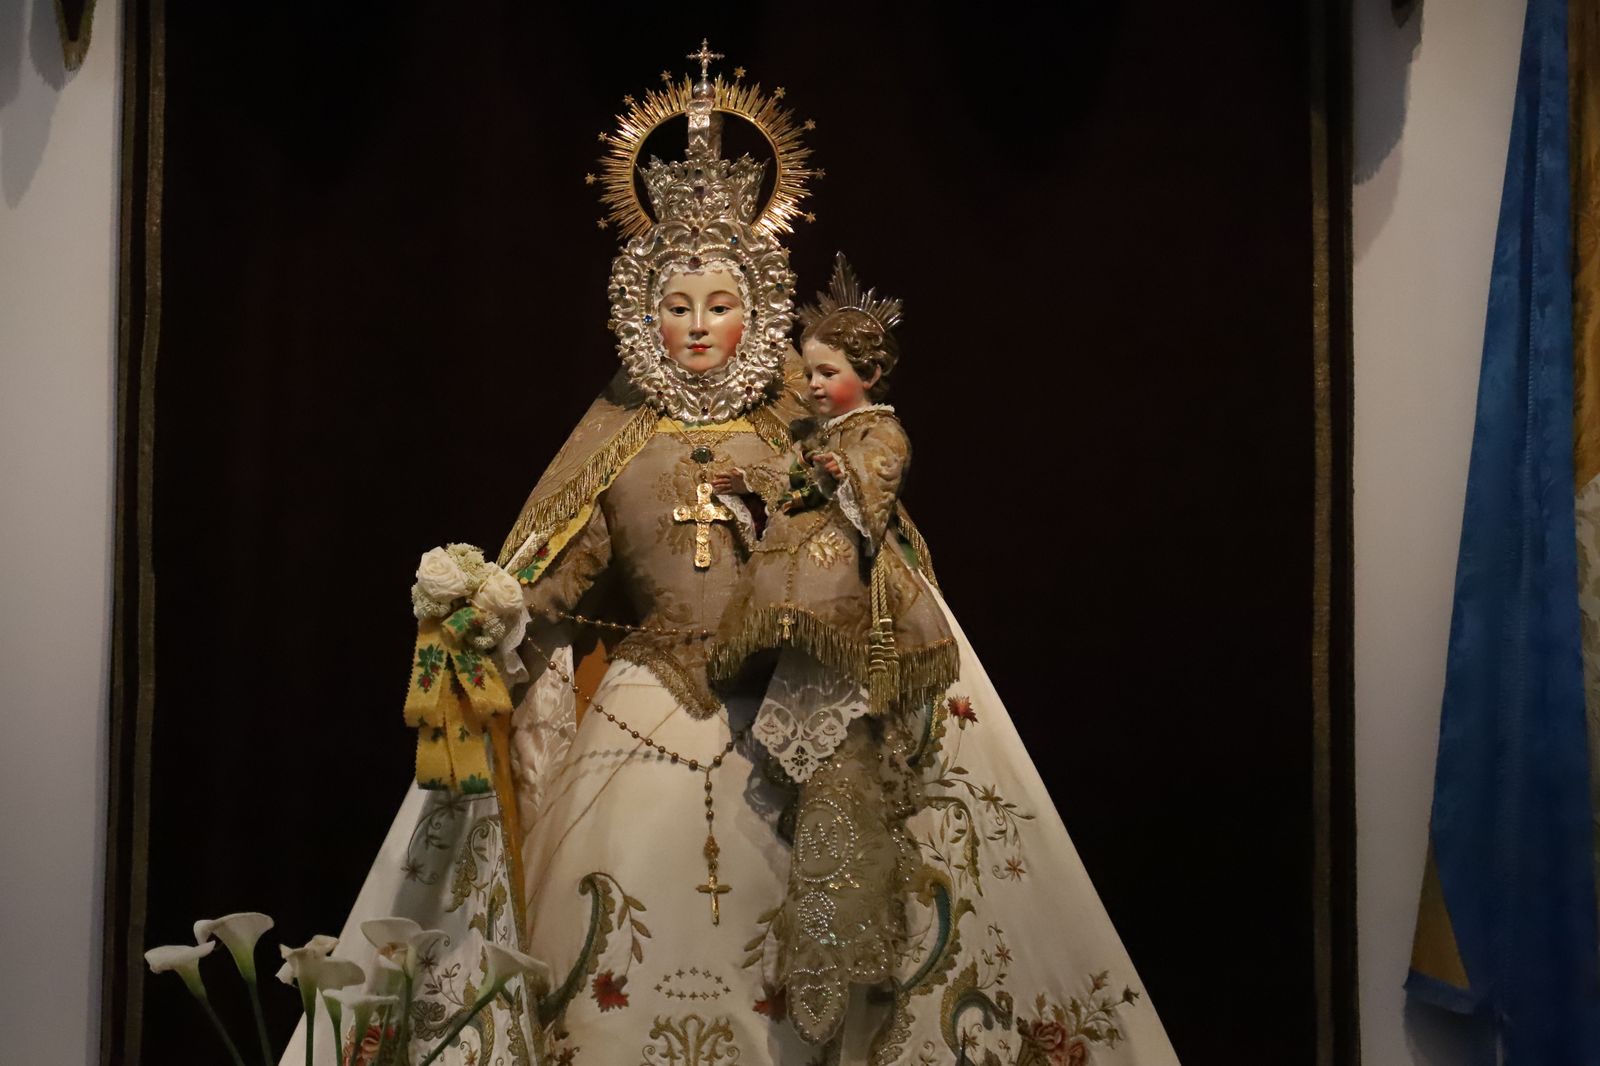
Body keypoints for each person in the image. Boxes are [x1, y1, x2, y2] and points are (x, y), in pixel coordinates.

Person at [289, 50, 1183, 1066]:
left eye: (719, 303)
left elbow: (878, 562)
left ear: (758, 307)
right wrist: (493, 607)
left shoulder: (805, 430)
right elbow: (560, 569)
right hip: (640, 712)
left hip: (784, 719)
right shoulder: (611, 440)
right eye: (677, 305)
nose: (698, 326)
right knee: (611, 908)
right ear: (641, 311)